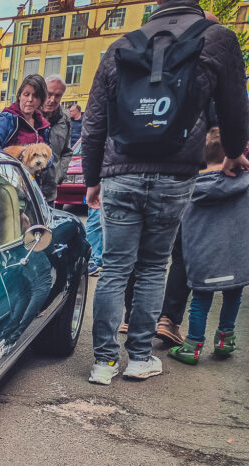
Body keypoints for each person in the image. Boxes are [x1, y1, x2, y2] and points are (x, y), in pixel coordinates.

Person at [83, 0, 249, 384]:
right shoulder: (218, 38)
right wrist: (233, 152)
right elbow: (235, 107)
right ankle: (139, 359)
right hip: (174, 174)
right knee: (154, 267)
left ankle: (103, 363)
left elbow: (94, 122)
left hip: (120, 172)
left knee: (115, 269)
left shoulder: (121, 44)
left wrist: (93, 178)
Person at [168, 127, 248, 363]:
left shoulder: (190, 186)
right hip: (236, 254)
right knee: (233, 295)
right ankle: (225, 340)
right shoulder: (244, 183)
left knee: (200, 301)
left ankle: (192, 346)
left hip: (202, 255)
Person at [0, 74, 52, 152]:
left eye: (36, 96)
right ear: (19, 96)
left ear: (41, 100)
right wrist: (14, 157)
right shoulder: (7, 119)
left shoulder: (43, 125)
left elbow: (49, 153)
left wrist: (46, 158)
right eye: (26, 94)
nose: (30, 99)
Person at [39, 75, 74, 204]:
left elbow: (67, 151)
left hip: (49, 193)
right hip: (25, 191)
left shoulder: (65, 119)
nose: (52, 100)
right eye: (49, 94)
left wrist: (58, 176)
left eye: (57, 96)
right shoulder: (29, 114)